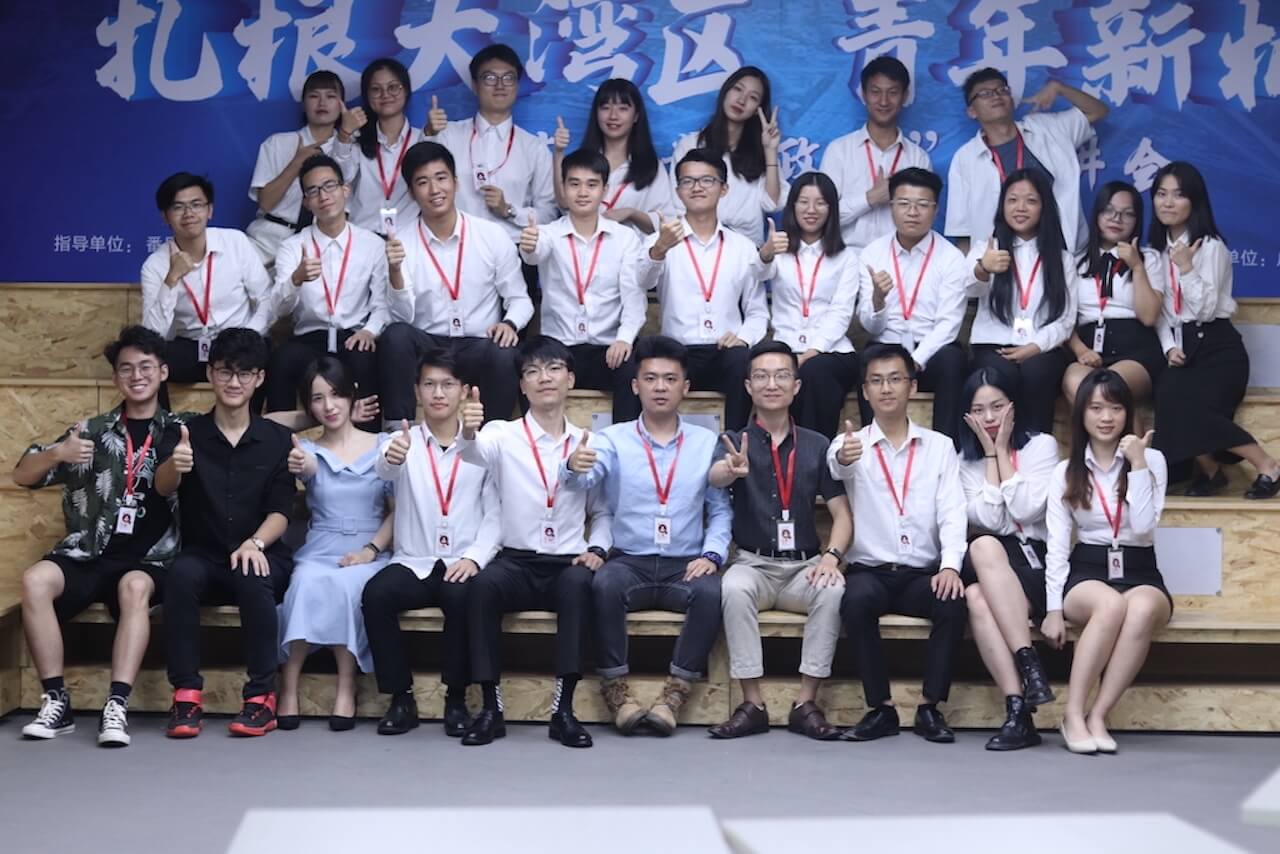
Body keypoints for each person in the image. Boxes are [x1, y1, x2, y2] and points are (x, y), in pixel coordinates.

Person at [15, 326, 182, 747]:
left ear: (163, 372)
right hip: (89, 553)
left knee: (135, 587)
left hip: (149, 560)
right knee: (35, 580)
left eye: (146, 366)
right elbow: (23, 475)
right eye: (126, 368)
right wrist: (57, 453)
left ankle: (116, 705)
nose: (136, 375)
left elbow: (250, 425)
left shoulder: (183, 430)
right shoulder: (90, 431)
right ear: (115, 378)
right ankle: (57, 701)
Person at [561, 336, 730, 736]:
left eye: (670, 379)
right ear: (635, 385)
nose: (660, 387)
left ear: (685, 387)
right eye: (650, 378)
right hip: (629, 561)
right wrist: (573, 466)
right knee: (603, 584)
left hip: (684, 563)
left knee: (711, 592)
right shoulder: (612, 439)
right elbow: (584, 479)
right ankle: (617, 692)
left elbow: (721, 510)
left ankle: (675, 694)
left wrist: (712, 555)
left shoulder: (705, 442)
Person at [456, 337, 611, 748]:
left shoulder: (589, 442)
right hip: (516, 560)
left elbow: (603, 512)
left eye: (554, 368)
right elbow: (472, 452)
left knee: (580, 586)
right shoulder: (501, 434)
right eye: (532, 371)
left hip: (567, 561)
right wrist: (467, 429)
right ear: (522, 386)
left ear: (570, 379)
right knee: (482, 587)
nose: (544, 378)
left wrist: (597, 548)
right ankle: (491, 709)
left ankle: (563, 710)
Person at [708, 341, 852, 740]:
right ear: (748, 386)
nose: (771, 384)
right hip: (752, 564)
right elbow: (715, 477)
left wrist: (832, 557)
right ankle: (752, 704)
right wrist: (729, 470)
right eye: (761, 376)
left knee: (833, 589)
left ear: (796, 386)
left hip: (803, 567)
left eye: (781, 375)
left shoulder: (818, 444)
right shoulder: (733, 441)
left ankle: (806, 703)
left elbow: (842, 514)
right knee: (733, 588)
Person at [155, 329, 295, 738]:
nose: (234, 382)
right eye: (225, 372)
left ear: (260, 378)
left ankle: (261, 697)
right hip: (205, 554)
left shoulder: (277, 440)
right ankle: (185, 696)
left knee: (253, 573)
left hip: (261, 552)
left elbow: (281, 512)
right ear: (210, 374)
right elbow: (162, 487)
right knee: (180, 574)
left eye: (244, 373)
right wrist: (175, 465)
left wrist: (256, 543)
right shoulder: (186, 434)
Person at [827, 343, 968, 744]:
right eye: (876, 381)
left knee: (952, 601)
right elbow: (837, 464)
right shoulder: (849, 443)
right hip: (870, 571)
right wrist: (845, 456)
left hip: (921, 573)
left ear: (913, 386)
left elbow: (953, 511)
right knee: (855, 601)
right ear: (865, 391)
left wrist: (950, 565)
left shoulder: (939, 446)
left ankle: (929, 707)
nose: (886, 388)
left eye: (895, 379)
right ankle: (881, 709)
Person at [363, 349, 501, 737]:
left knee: (463, 597)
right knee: (376, 595)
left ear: (464, 391)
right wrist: (393, 459)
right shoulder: (400, 441)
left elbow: (496, 514)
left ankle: (455, 699)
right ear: (416, 392)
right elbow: (383, 469)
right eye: (429, 384)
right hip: (414, 560)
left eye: (447, 384)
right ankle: (400, 698)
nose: (438, 393)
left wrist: (475, 559)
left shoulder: (483, 446)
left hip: (461, 559)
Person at [1043, 369, 1169, 754]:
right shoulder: (1065, 471)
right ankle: (1073, 714)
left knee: (1141, 608)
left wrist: (1138, 464)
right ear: (1081, 413)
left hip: (1141, 566)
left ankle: (1098, 715)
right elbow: (1057, 544)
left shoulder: (1152, 460)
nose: (1106, 417)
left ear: (1128, 413)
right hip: (1088, 568)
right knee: (1111, 605)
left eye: (1115, 408)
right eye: (1096, 408)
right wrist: (1052, 609)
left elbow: (1144, 526)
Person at [275, 358, 394, 732]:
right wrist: (308, 424)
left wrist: (369, 551)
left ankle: (346, 685)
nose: (329, 406)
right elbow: (266, 424)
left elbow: (397, 512)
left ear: (352, 395)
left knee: (346, 586)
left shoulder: (383, 446)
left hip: (369, 548)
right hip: (319, 547)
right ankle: (288, 684)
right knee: (303, 584)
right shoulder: (308, 450)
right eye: (318, 398)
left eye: (337, 395)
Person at [1149, 162, 1280, 499]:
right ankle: (1211, 472)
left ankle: (1267, 465)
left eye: (1178, 195)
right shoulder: (1154, 251)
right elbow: (1161, 311)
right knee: (1167, 397)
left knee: (1194, 411)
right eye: (1161, 194)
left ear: (1194, 201)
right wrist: (1168, 347)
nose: (1168, 202)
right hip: (1182, 345)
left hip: (1218, 347)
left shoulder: (1211, 247)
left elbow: (1206, 310)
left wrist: (1186, 268)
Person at [380, 142, 531, 429]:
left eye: (441, 178)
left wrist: (509, 323)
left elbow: (520, 299)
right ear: (411, 193)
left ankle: (492, 436)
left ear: (456, 182)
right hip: (428, 344)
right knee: (395, 336)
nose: (434, 189)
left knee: (505, 350)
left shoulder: (491, 235)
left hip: (477, 344)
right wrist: (395, 271)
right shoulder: (401, 242)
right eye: (423, 182)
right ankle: (398, 432)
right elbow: (401, 317)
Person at [956, 369, 1059, 750]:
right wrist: (987, 455)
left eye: (997, 407)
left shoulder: (1042, 447)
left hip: (1035, 561)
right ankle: (1021, 696)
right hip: (994, 559)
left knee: (980, 574)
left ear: (1013, 406)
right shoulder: (963, 461)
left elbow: (1025, 509)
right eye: (978, 410)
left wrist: (1001, 452)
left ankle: (1021, 698)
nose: (989, 418)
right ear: (967, 415)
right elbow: (991, 519)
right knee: (979, 575)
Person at [519, 149, 652, 424]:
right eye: (574, 184)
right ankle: (534, 441)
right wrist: (528, 246)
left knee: (633, 365)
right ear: (563, 188)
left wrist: (624, 339)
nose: (582, 192)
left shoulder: (625, 238)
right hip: (560, 347)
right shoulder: (548, 234)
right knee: (529, 365)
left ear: (605, 189)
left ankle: (623, 442)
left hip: (608, 347)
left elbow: (633, 297)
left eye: (591, 184)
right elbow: (535, 253)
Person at [267, 154, 396, 428]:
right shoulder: (293, 246)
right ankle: (278, 442)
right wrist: (296, 279)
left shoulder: (372, 244)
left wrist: (369, 331)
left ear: (345, 190)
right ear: (306, 202)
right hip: (310, 339)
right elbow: (277, 309)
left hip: (354, 336)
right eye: (313, 191)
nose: (323, 196)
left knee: (366, 356)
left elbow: (382, 303)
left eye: (329, 186)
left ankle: (370, 442)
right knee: (282, 358)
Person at [647, 149, 770, 432]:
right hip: (677, 353)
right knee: (647, 362)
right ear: (678, 191)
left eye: (707, 180)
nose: (697, 187)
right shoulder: (660, 241)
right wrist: (659, 250)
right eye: (688, 181)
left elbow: (757, 312)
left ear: (723, 189)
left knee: (743, 360)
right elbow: (642, 282)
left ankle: (735, 443)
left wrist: (743, 338)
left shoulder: (743, 248)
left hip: (724, 352)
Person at [140, 172, 272, 409]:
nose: (188, 213)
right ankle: (163, 429)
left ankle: (251, 427)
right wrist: (171, 279)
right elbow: (152, 334)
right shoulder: (155, 265)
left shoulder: (235, 242)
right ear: (165, 217)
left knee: (267, 355)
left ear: (209, 210)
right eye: (178, 207)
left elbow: (265, 298)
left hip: (239, 340)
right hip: (193, 347)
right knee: (149, 361)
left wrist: (248, 336)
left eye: (196, 205)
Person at [856, 167, 969, 438]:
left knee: (953, 361)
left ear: (935, 210)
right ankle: (871, 446)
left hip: (931, 350)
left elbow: (948, 324)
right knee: (868, 363)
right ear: (892, 207)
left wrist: (912, 361)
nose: (913, 212)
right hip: (886, 344)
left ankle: (947, 448)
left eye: (922, 205)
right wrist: (878, 299)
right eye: (904, 203)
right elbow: (871, 327)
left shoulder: (951, 258)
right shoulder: (872, 253)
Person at [945, 69, 1108, 254]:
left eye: (1002, 90)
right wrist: (973, 270)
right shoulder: (965, 159)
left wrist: (1058, 88)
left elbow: (1098, 111)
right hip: (1001, 261)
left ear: (1012, 100)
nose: (996, 96)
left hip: (1061, 254)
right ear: (972, 111)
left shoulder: (1048, 129)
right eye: (985, 93)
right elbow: (963, 233)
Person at [966, 169, 1077, 435]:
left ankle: (1038, 447)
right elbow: (968, 290)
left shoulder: (1062, 259)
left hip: (1042, 347)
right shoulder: (986, 249)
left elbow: (1066, 318)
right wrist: (983, 268)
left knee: (1037, 372)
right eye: (1012, 200)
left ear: (1044, 207)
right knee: (1001, 374)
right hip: (993, 344)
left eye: (1031, 200)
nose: (1020, 208)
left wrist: (1036, 346)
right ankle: (995, 451)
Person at [760, 172, 859, 440]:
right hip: (785, 345)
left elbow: (841, 312)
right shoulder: (777, 250)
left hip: (832, 351)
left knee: (815, 371)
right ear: (792, 206)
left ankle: (814, 452)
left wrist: (812, 351)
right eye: (803, 201)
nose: (811, 210)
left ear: (832, 209)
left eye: (820, 203)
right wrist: (765, 254)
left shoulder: (847, 257)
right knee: (766, 368)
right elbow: (758, 275)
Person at [426, 44, 556, 241]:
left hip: (513, 248)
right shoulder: (447, 136)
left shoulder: (534, 148)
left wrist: (509, 210)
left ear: (517, 86)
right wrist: (429, 133)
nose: (500, 85)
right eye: (490, 78)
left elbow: (549, 214)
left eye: (508, 78)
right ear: (475, 85)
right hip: (456, 246)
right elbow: (420, 179)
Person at [1062, 181, 1165, 406]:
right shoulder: (1075, 261)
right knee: (1076, 384)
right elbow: (1062, 317)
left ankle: (1131, 432)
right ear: (1097, 214)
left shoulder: (1149, 258)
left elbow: (1149, 316)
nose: (1116, 219)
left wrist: (1136, 266)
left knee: (1109, 388)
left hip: (1136, 350)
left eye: (1127, 214)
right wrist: (1081, 351)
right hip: (1087, 347)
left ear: (1137, 220)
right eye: (1109, 210)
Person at [820, 56, 932, 252]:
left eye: (893, 92)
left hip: (900, 260)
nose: (884, 101)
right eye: (875, 92)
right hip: (848, 259)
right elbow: (822, 215)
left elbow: (924, 218)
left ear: (905, 96)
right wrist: (869, 199)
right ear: (864, 94)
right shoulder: (839, 150)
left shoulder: (918, 158)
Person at [670, 67, 787, 244]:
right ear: (725, 92)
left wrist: (770, 151)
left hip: (747, 248)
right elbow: (678, 204)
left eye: (753, 97)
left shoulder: (760, 151)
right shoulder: (690, 145)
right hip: (697, 245)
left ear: (758, 109)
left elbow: (772, 204)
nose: (741, 100)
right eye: (737, 89)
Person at [552, 78, 675, 236]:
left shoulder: (650, 165)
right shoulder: (582, 161)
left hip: (632, 250)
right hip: (581, 247)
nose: (613, 116)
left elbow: (666, 220)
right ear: (596, 113)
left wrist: (631, 213)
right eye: (605, 108)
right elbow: (564, 203)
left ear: (636, 116)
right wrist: (559, 153)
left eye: (623, 108)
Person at [245, 70, 344, 262]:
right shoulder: (277, 143)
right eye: (314, 96)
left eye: (330, 96)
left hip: (319, 245)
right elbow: (266, 203)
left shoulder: (348, 150)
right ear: (303, 104)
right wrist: (298, 162)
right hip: (268, 239)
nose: (322, 103)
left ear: (342, 105)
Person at [333, 58, 422, 235]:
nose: (385, 95)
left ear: (406, 90)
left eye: (393, 87)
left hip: (408, 238)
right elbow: (340, 179)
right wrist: (344, 134)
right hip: (363, 236)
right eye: (376, 89)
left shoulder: (421, 139)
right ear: (366, 96)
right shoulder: (356, 139)